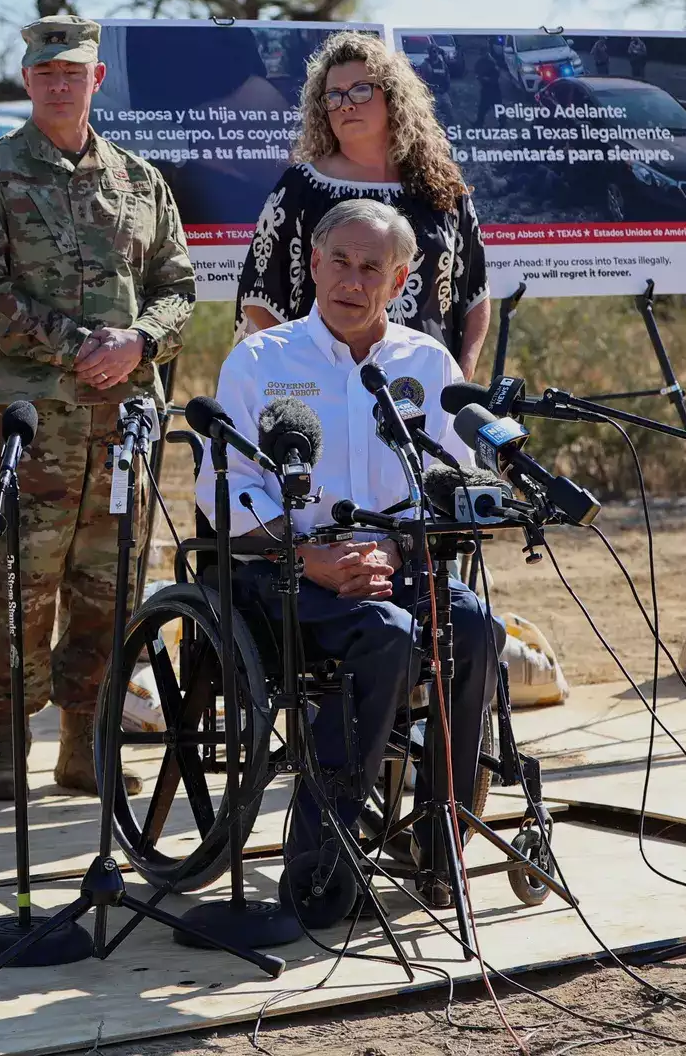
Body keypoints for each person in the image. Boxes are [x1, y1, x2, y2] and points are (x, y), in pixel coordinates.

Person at [212, 198, 501, 917]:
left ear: (399, 278)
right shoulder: (261, 359)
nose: (351, 278)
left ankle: (443, 839)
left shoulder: (425, 363)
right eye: (338, 260)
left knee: (476, 628)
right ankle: (320, 867)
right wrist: (306, 555)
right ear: (312, 264)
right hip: (280, 580)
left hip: (396, 566)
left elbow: (448, 481)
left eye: (371, 266)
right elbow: (226, 492)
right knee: (389, 640)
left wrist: (397, 543)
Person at [0, 15, 195, 800]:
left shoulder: (139, 179)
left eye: (73, 72)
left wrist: (139, 343)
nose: (60, 83)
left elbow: (178, 287)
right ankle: (8, 738)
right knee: (19, 579)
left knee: (111, 582)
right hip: (33, 421)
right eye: (45, 71)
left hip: (123, 419)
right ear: (28, 80)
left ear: (96, 81)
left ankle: (87, 736)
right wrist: (80, 346)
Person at [235, 30, 489, 374]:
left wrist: (461, 376)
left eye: (360, 90)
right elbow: (259, 297)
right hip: (322, 391)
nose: (346, 104)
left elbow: (474, 293)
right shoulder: (301, 187)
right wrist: (305, 376)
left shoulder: (442, 187)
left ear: (393, 97)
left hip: (422, 388)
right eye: (334, 96)